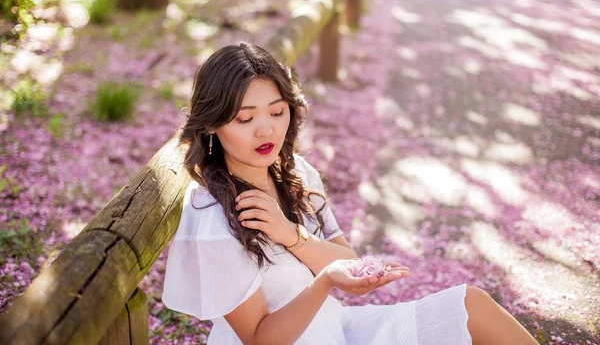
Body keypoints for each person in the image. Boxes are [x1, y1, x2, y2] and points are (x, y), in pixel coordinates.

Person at [162, 42, 539, 345]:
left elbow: (345, 257)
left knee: (472, 305)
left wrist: (289, 234)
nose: (266, 131)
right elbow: (261, 339)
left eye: (277, 113)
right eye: (245, 119)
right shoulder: (212, 219)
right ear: (211, 125)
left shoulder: (295, 171)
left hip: (336, 328)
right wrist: (326, 281)